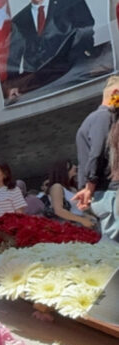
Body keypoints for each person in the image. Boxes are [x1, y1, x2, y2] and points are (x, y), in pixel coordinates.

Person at [3, 0, 99, 102]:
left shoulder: (71, 2)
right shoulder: (19, 20)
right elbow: (13, 60)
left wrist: (83, 65)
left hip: (73, 78)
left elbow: (85, 34)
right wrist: (12, 87)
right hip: (38, 90)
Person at [73, 76, 119, 240]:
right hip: (108, 192)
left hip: (105, 192)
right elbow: (97, 152)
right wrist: (89, 187)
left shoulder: (98, 118)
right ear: (115, 93)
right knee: (113, 243)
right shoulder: (103, 117)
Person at [43, 160, 96, 228]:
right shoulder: (57, 187)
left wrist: (86, 216)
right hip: (70, 226)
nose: (75, 167)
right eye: (70, 166)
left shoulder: (72, 189)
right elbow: (58, 210)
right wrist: (82, 220)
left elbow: (77, 209)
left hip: (82, 223)